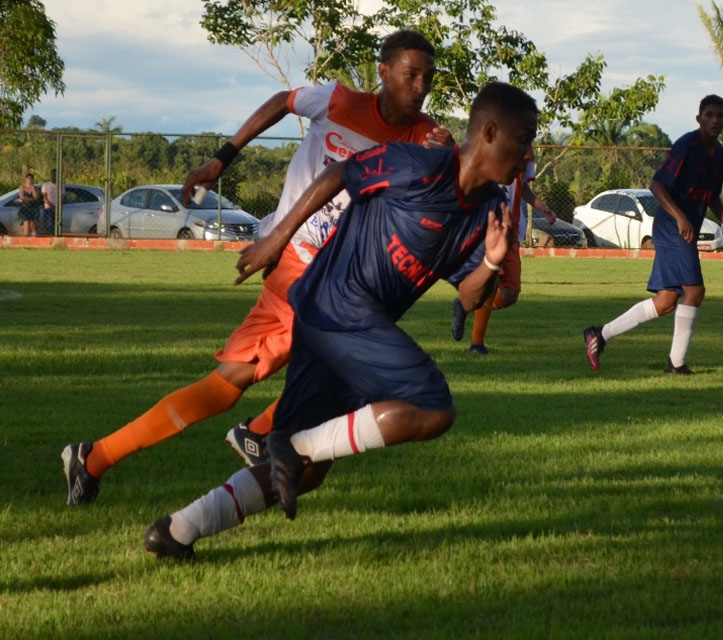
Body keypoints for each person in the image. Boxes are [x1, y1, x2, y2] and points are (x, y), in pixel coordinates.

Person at [142, 81, 537, 559]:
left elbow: (472, 299)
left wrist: (492, 261)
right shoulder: (419, 164)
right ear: (489, 132)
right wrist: (276, 239)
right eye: (523, 139)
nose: (528, 154)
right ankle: (291, 444)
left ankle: (179, 529)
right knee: (432, 406)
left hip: (348, 326)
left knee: (307, 473)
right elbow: (340, 175)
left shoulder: (490, 209)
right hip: (335, 304)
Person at [60, 29, 452, 506]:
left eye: (428, 79)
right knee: (319, 374)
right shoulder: (337, 100)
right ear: (384, 72)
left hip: (337, 279)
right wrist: (222, 159)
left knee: (253, 383)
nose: (420, 87)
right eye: (411, 75)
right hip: (301, 266)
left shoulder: (425, 138)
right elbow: (283, 101)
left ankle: (98, 457)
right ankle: (254, 434)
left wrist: (442, 159)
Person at [582, 95, 723, 374]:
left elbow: (712, 197)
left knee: (666, 301)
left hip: (683, 231)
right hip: (672, 228)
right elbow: (657, 185)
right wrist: (680, 217)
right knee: (694, 291)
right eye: (709, 114)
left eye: (720, 115)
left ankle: (600, 334)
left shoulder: (717, 153)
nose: (715, 120)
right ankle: (676, 364)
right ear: (699, 118)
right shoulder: (687, 146)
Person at [449, 160, 556, 354]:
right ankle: (477, 344)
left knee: (509, 295)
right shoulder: (490, 147)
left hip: (512, 229)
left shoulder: (525, 154)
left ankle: (464, 306)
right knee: (493, 281)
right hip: (488, 224)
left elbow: (522, 188)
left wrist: (542, 207)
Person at [40, 169, 62, 236]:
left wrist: (57, 205)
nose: (54, 176)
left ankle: (57, 235)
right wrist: (52, 206)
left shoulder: (61, 185)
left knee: (58, 224)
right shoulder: (45, 185)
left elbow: (63, 197)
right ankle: (51, 236)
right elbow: (44, 198)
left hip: (59, 208)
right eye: (53, 174)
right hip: (48, 208)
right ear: (51, 175)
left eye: (56, 175)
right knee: (50, 224)